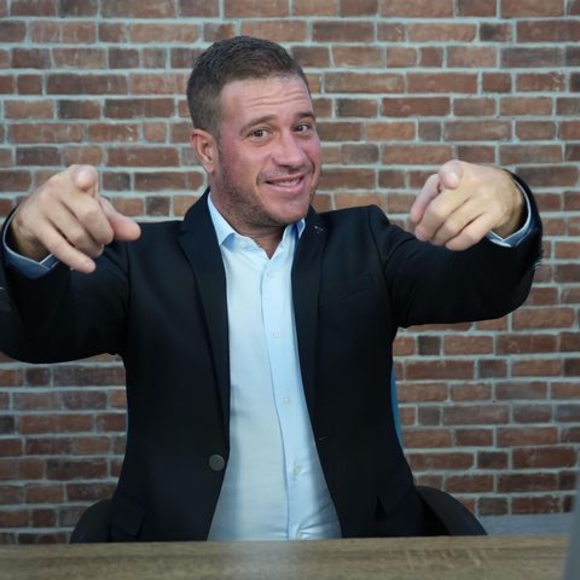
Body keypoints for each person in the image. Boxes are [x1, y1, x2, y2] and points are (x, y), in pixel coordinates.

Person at [0, 36, 542, 542]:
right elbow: (39, 334)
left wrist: (510, 207)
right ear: (207, 150)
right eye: (260, 133)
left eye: (302, 126)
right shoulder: (142, 262)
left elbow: (482, 288)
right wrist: (26, 243)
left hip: (362, 553)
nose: (294, 155)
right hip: (187, 559)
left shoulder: (366, 244)